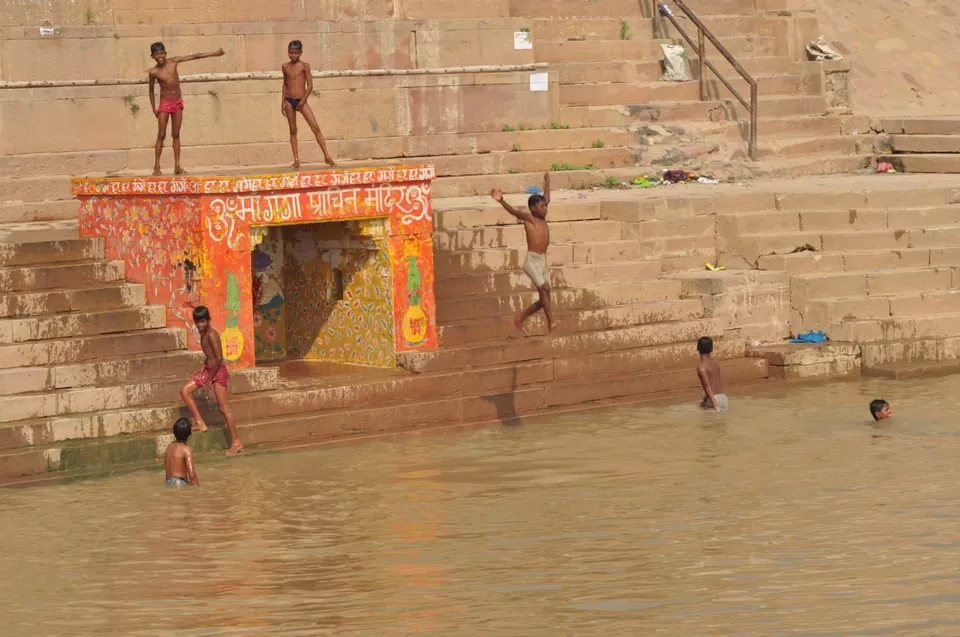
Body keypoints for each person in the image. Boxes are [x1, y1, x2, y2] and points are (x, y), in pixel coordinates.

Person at [148, 42, 225, 176]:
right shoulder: (153, 72)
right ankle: (157, 165)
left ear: (165, 53)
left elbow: (195, 56)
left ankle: (177, 166)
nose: (159, 56)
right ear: (152, 56)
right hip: (164, 104)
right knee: (161, 134)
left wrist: (214, 53)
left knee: (176, 134)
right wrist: (154, 108)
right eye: (156, 54)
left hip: (177, 102)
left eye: (161, 53)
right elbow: (151, 90)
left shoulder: (174, 61)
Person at [490, 172, 553, 335]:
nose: (545, 209)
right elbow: (513, 211)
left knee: (545, 298)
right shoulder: (529, 218)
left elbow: (547, 197)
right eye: (542, 207)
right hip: (531, 261)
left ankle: (520, 318)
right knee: (544, 288)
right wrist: (501, 200)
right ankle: (551, 323)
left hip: (543, 260)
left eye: (545, 206)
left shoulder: (543, 218)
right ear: (533, 208)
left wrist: (547, 182)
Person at [179, 306, 243, 455]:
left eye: (203, 321)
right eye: (197, 322)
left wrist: (209, 378)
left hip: (218, 372)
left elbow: (219, 358)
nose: (200, 324)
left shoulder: (212, 334)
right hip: (209, 369)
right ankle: (200, 422)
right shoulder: (203, 333)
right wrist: (203, 367)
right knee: (184, 391)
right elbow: (210, 355)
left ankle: (236, 442)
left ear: (208, 320)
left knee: (224, 408)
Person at [281, 40, 336, 169]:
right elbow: (285, 84)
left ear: (300, 53)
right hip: (289, 100)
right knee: (293, 130)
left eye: (295, 53)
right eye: (290, 52)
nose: (293, 55)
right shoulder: (285, 66)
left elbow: (310, 85)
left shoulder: (304, 66)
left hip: (301, 100)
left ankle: (327, 156)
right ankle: (296, 160)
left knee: (315, 127)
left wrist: (303, 101)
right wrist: (282, 102)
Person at [164, 418, 199, 487]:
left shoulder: (169, 447)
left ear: (174, 432)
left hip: (167, 482)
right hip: (179, 483)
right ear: (189, 433)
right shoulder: (186, 450)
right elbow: (192, 476)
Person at [697, 336, 727, 411]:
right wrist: (705, 399)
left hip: (714, 400)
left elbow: (708, 387)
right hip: (723, 398)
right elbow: (715, 383)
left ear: (697, 348)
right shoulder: (715, 363)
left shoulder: (701, 367)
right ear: (712, 349)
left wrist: (715, 406)